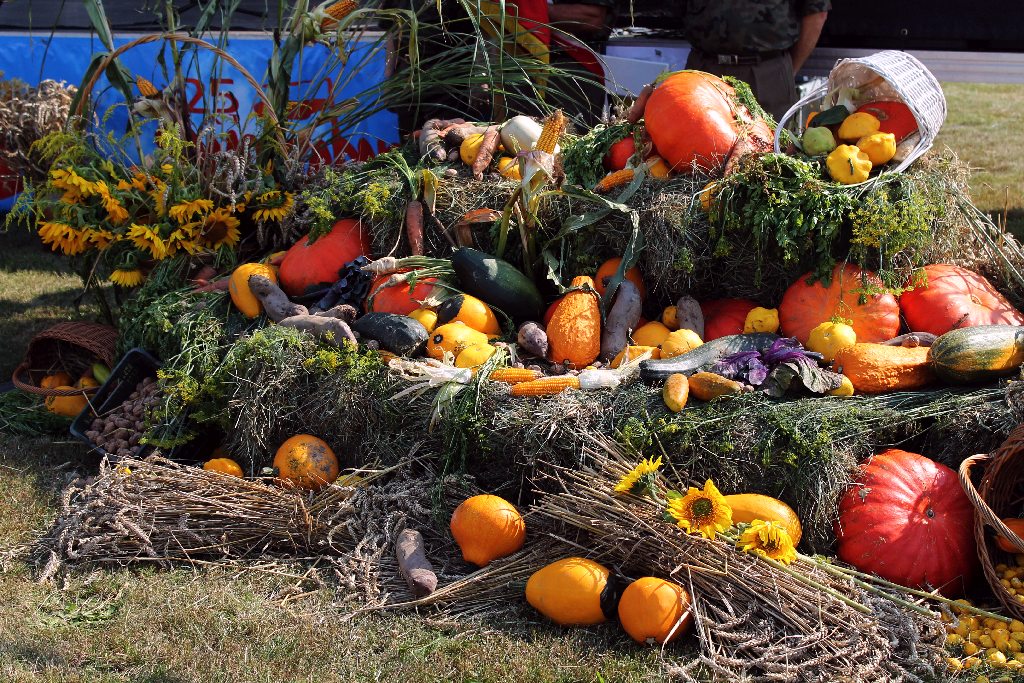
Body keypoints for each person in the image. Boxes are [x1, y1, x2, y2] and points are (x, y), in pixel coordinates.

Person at [682, 0, 830, 120]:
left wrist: (789, 69)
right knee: (690, 148)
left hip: (766, 74)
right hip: (701, 69)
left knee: (769, 149)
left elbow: (816, 11)